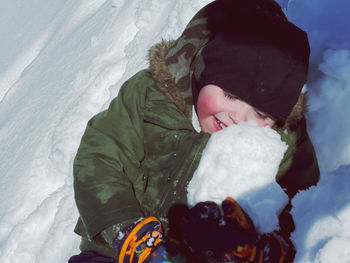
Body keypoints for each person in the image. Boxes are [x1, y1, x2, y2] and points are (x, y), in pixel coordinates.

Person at [69, 0, 320, 262]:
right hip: (117, 251)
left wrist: (267, 249)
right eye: (231, 95)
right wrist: (128, 232)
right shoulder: (150, 96)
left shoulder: (283, 143)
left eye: (260, 114)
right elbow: (100, 157)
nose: (238, 118)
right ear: (202, 72)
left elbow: (303, 205)